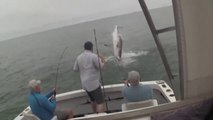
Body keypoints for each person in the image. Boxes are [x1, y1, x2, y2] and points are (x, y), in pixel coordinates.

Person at [73, 41, 105, 113]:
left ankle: (94, 115)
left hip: (85, 85)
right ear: (91, 47)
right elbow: (101, 67)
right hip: (93, 84)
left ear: (84, 48)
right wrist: (103, 59)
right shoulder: (94, 56)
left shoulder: (79, 57)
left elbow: (75, 69)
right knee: (100, 102)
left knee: (93, 100)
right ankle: (100, 117)